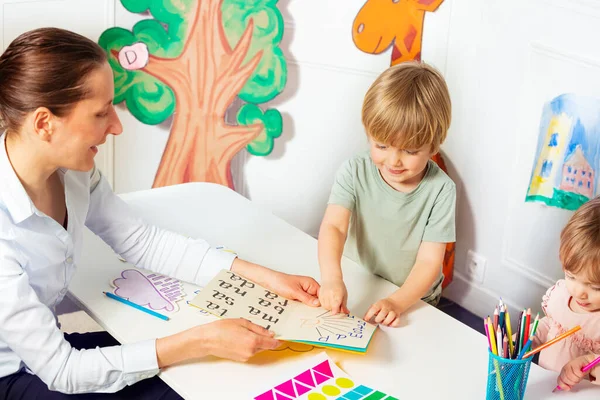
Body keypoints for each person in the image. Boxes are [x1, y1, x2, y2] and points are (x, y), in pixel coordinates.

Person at [0, 27, 320, 398]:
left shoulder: (73, 175)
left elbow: (142, 241)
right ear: (44, 123)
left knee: (208, 374)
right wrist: (198, 341)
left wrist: (265, 277)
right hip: (15, 377)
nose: (117, 127)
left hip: (46, 354)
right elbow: (64, 372)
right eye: (101, 113)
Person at [317, 61, 455, 327]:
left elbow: (429, 262)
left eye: (410, 151)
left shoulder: (442, 190)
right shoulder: (354, 170)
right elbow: (334, 226)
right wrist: (332, 278)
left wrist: (397, 302)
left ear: (433, 145)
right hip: (361, 278)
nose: (394, 161)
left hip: (413, 298)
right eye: (381, 145)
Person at [531, 198, 600, 391]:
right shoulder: (561, 296)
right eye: (571, 276)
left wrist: (590, 363)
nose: (579, 292)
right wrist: (529, 336)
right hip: (544, 384)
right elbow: (551, 325)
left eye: (596, 288)